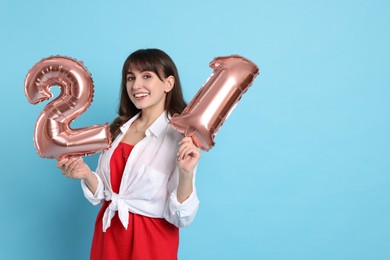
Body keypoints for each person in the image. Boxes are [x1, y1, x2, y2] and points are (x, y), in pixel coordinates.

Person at [56, 48, 201, 260]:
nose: (136, 85)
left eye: (147, 76)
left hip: (150, 244)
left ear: (168, 84)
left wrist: (186, 174)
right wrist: (85, 174)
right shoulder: (117, 129)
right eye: (130, 78)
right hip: (109, 236)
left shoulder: (180, 138)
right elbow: (103, 193)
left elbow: (182, 217)